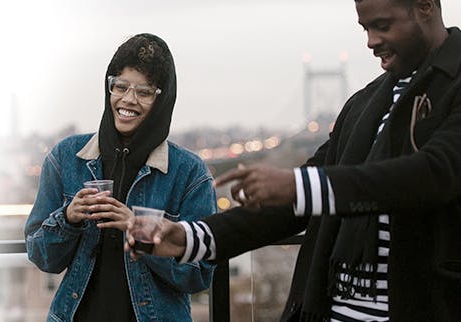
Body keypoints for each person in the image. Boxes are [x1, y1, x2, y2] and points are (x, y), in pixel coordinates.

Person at [124, 0, 461, 320]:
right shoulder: (363, 105)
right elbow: (295, 204)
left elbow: (436, 172)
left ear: (425, 7)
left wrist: (297, 186)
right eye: (365, 29)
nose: (371, 42)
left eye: (382, 26)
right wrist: (189, 238)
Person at [24, 33, 216, 322]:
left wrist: (140, 231)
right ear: (108, 88)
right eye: (120, 86)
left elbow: (199, 274)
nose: (129, 99)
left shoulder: (189, 173)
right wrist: (69, 217)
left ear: (163, 100)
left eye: (144, 92)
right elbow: (41, 256)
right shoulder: (65, 158)